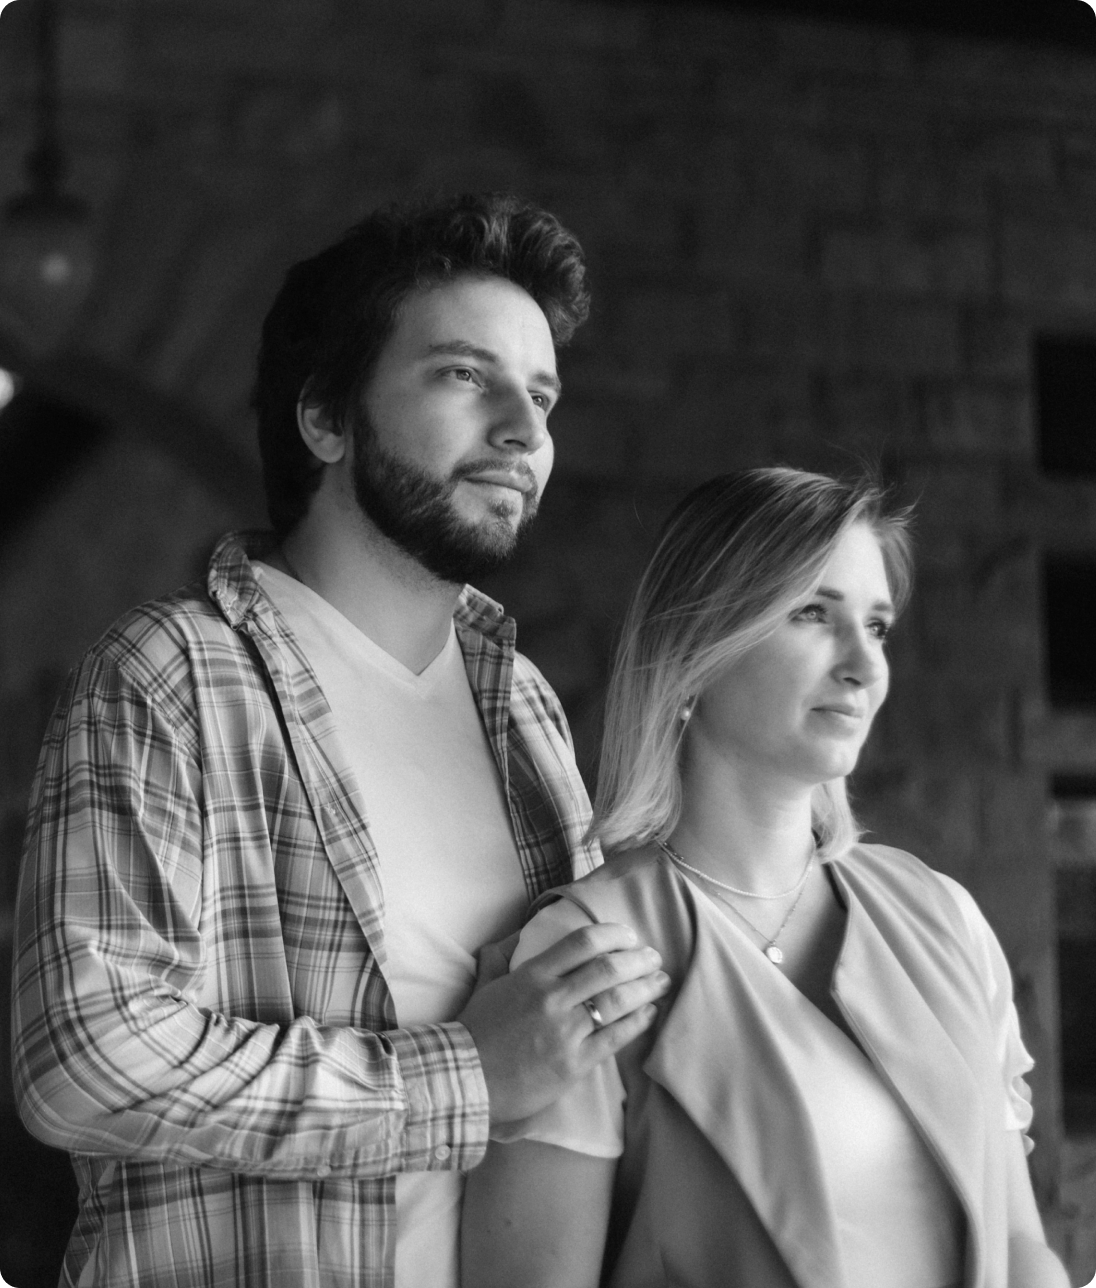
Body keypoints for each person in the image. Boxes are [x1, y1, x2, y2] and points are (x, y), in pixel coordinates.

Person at [10, 192, 670, 1288]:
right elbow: (83, 1058)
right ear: (324, 417)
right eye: (464, 376)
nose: (525, 430)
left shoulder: (527, 711)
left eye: (542, 394)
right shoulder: (170, 675)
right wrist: (463, 1077)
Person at [461, 467, 1070, 1288]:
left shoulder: (944, 916)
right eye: (813, 613)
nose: (865, 666)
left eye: (877, 626)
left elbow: (1022, 1249)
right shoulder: (587, 946)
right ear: (696, 650)